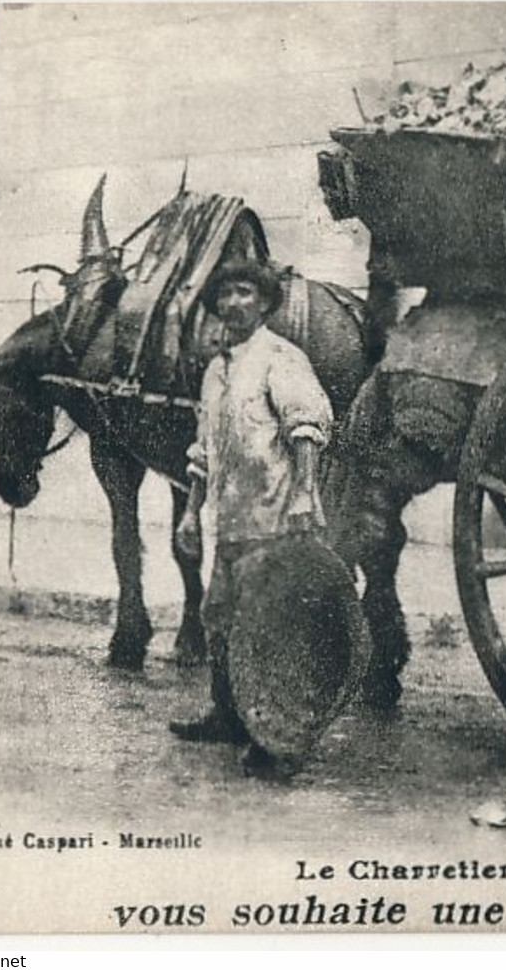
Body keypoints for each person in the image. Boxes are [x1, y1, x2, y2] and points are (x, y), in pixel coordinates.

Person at [170, 259, 335, 781]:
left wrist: (307, 493)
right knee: (218, 619)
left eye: (245, 293)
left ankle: (278, 741)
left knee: (268, 633)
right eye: (226, 295)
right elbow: (205, 451)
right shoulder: (215, 372)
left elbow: (305, 426)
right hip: (232, 524)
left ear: (264, 303)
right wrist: (193, 514)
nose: (233, 303)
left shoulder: (281, 358)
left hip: (276, 520)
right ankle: (227, 717)